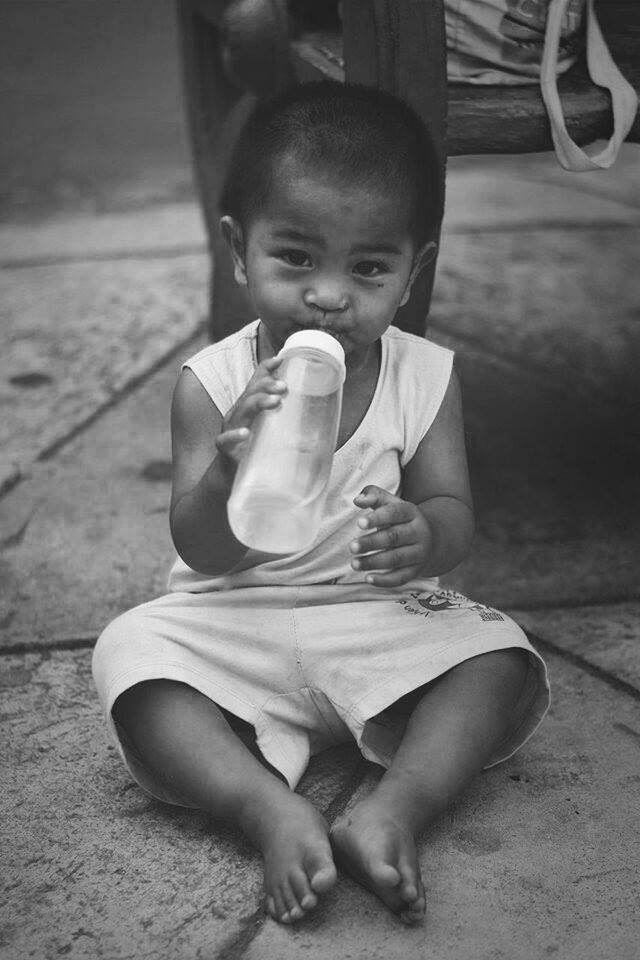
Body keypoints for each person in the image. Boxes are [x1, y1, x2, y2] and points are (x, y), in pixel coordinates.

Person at [92, 81, 549, 927]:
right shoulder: (214, 384)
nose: (330, 296)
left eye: (367, 267)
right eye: (296, 258)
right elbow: (197, 547)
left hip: (368, 616)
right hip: (236, 617)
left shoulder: (426, 377)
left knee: (499, 654)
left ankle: (395, 807)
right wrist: (226, 477)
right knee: (132, 653)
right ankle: (264, 807)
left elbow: (452, 509)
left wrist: (425, 534)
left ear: (413, 273)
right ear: (239, 250)